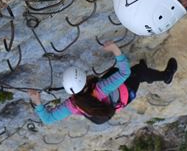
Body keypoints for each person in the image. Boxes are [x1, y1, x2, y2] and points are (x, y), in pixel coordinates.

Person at [28, 42, 178, 125]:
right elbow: (124, 73)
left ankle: (145, 73)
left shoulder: (72, 104)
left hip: (109, 105)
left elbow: (48, 119)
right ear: (84, 82)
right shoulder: (101, 88)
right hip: (125, 94)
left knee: (115, 73)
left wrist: (37, 103)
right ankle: (167, 76)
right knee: (137, 72)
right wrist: (115, 50)